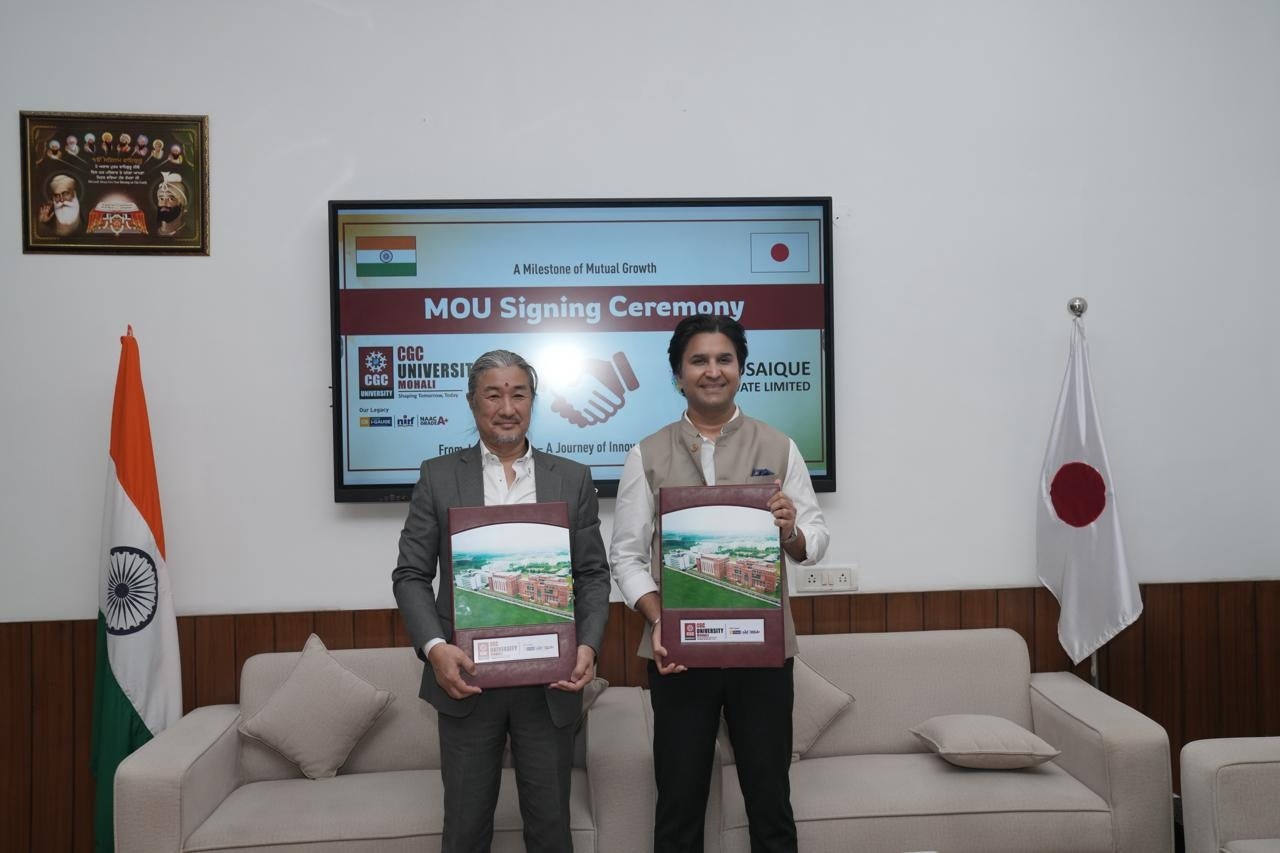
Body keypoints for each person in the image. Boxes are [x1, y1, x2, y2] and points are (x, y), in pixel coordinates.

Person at [610, 315, 829, 853]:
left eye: (724, 359)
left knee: (770, 801)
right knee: (679, 803)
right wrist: (660, 619)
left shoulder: (779, 446)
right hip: (679, 654)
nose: (713, 371)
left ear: (741, 369)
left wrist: (790, 531)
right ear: (678, 375)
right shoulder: (646, 453)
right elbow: (627, 556)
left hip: (763, 654)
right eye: (699, 361)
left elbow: (816, 541)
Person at [393, 349, 611, 853]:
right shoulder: (438, 475)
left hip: (550, 683)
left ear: (533, 402)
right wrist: (435, 649)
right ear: (472, 402)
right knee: (465, 832)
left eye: (519, 394)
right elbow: (410, 575)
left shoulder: (572, 477)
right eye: (493, 395)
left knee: (551, 832)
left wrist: (588, 645)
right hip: (465, 680)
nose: (507, 408)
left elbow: (592, 575)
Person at [153, 172, 188, 236]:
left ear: (182, 205)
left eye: (171, 199)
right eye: (161, 198)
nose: (164, 203)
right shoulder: (152, 233)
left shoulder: (187, 234)